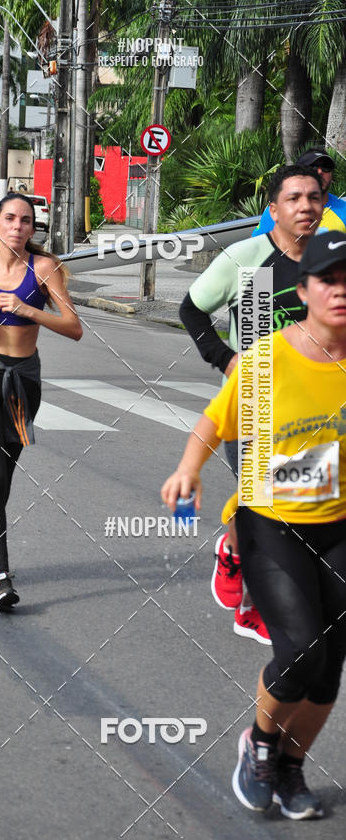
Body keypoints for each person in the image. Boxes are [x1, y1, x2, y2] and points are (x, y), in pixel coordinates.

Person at [162, 230, 346, 820]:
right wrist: (188, 470)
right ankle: (260, 743)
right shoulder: (270, 358)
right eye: (329, 281)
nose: (341, 292)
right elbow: (212, 424)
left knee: (329, 665)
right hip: (271, 521)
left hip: (340, 523)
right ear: (306, 289)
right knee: (299, 650)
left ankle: (291, 768)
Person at [179, 165, 324, 643]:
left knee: (298, 504)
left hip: (319, 406)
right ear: (274, 209)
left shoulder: (330, 261)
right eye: (295, 198)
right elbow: (191, 308)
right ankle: (253, 606)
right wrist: (225, 359)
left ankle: (234, 548)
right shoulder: (250, 260)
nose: (307, 206)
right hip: (257, 400)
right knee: (266, 505)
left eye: (314, 197)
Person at [0, 193, 82, 610]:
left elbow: (74, 327)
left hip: (25, 383)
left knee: (4, 476)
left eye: (26, 221)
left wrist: (29, 309)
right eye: (10, 218)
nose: (19, 226)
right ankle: (3, 578)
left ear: (32, 229)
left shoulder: (46, 269)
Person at [253, 148, 346, 237]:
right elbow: (258, 248)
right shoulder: (279, 210)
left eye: (326, 167)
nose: (320, 171)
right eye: (313, 167)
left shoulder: (343, 210)